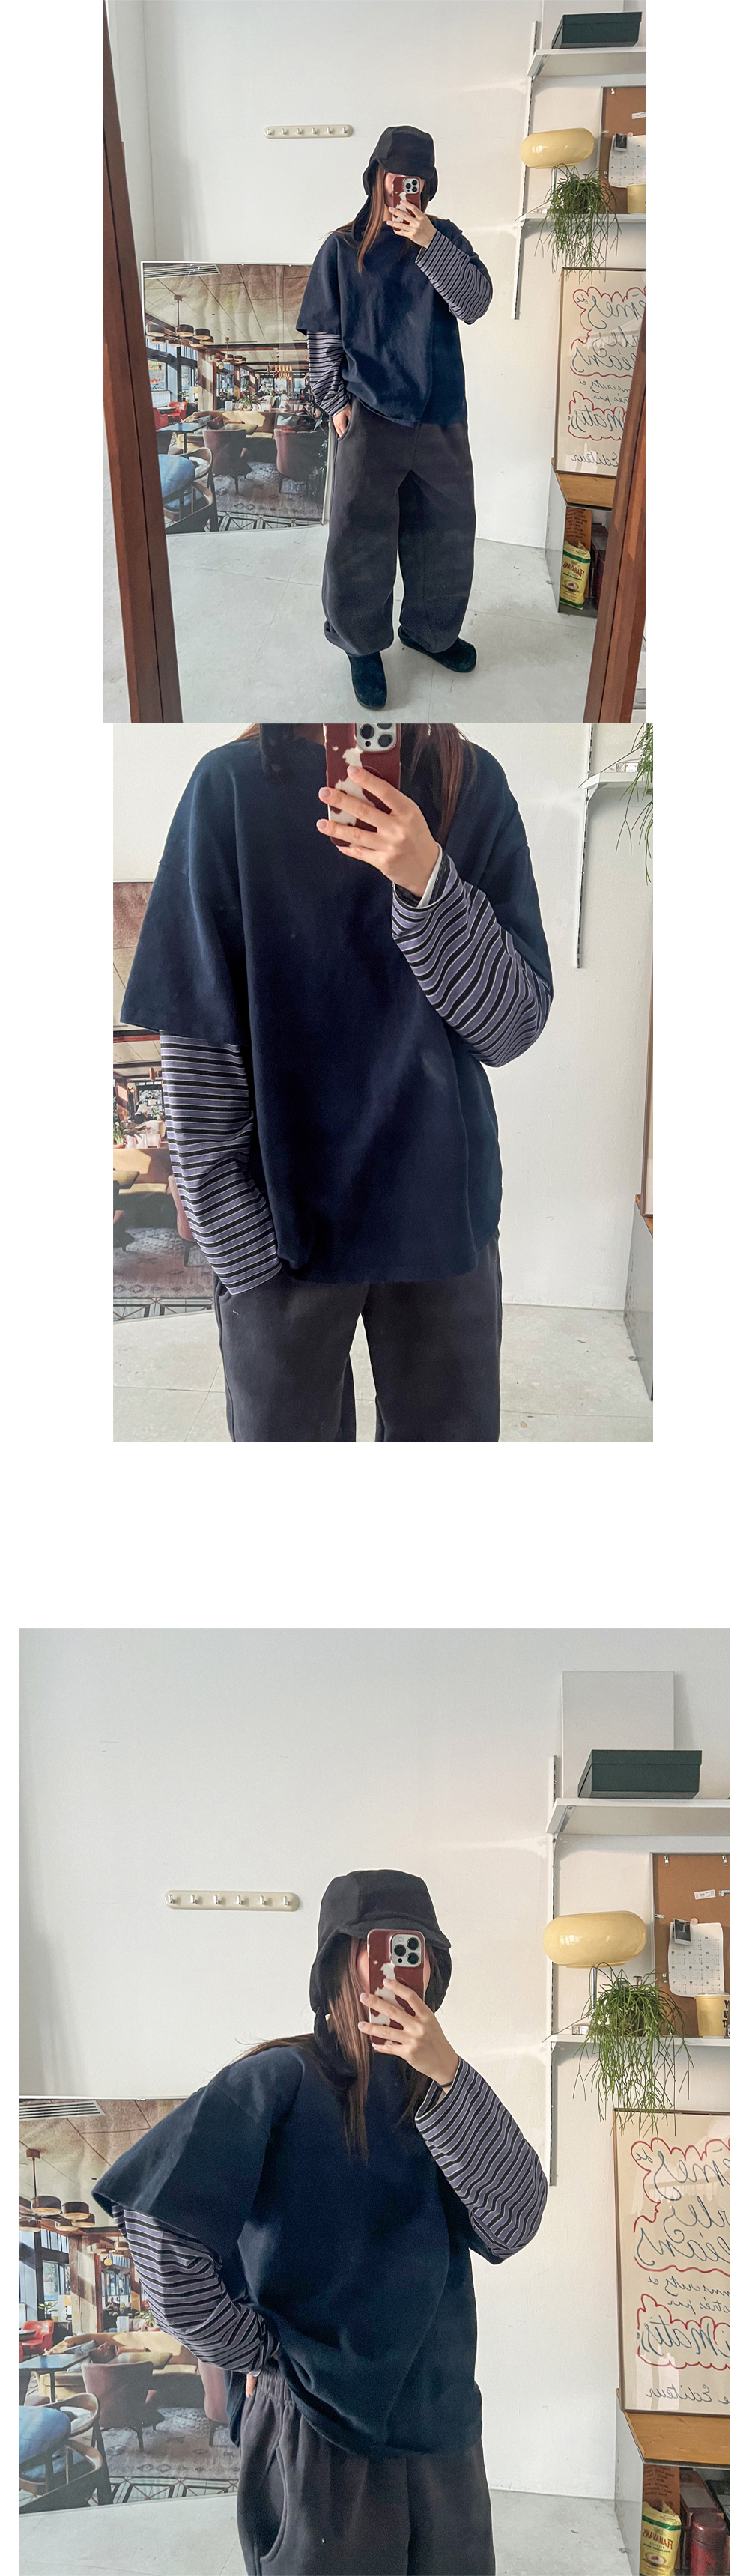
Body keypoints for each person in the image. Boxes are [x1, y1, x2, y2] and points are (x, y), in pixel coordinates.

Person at [93, 1868, 548, 2576]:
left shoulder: (440, 2096)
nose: (400, 1964)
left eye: (419, 1949)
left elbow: (514, 2221)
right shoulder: (278, 2079)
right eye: (379, 1945)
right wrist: (256, 2351)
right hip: (318, 2432)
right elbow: (158, 2227)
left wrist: (450, 2076)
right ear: (338, 1959)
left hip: (443, 2424)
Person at [120, 723, 552, 1442]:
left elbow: (510, 1028)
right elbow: (196, 1027)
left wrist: (428, 882)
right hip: (275, 1224)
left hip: (443, 1216)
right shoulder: (229, 787)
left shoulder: (471, 784)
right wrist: (235, 1239)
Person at [297, 127, 492, 708]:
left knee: (447, 531)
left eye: (416, 178)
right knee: (359, 536)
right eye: (394, 175)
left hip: (440, 413)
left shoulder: (444, 238)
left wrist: (429, 241)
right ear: (376, 174)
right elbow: (323, 333)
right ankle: (360, 645)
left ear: (427, 184)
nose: (402, 188)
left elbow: (474, 304)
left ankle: (430, 632)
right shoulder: (342, 247)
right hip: (369, 413)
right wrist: (335, 403)